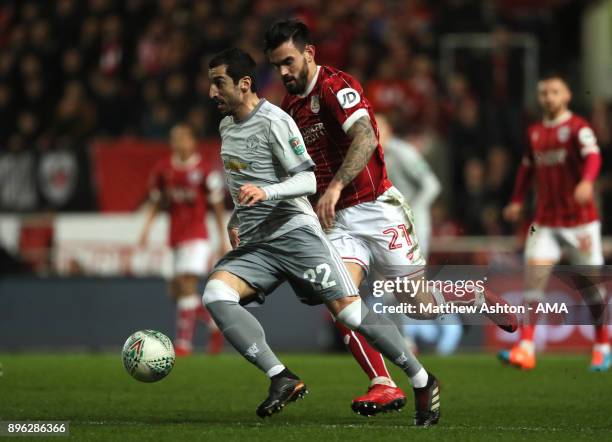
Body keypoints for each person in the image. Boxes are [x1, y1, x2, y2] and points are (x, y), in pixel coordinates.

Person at [264, 19, 517, 414]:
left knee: (418, 304)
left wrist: (334, 187)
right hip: (338, 222)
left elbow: (366, 136)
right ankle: (383, 383)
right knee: (339, 299)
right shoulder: (290, 108)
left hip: (377, 208)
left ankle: (473, 295)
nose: (283, 72)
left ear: (309, 53)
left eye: (289, 62)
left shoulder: (337, 86)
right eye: (277, 65)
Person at [204, 47, 440, 426]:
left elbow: (308, 179)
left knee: (352, 309)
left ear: (243, 84)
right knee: (215, 294)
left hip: (298, 233)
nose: (212, 93)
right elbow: (243, 181)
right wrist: (237, 214)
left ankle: (421, 378)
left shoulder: (278, 119)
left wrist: (270, 193)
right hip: (259, 243)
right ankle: (281, 377)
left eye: (218, 83)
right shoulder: (227, 126)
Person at [499, 74, 608, 371]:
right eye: (544, 92)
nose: (548, 97)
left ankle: (602, 344)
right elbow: (526, 169)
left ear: (567, 96)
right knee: (534, 279)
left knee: (591, 289)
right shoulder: (534, 132)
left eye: (554, 92)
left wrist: (587, 182)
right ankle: (526, 347)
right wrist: (518, 200)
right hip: (545, 222)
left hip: (580, 223)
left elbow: (594, 157)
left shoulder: (577, 129)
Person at [139, 123, 228, 356]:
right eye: (174, 138)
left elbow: (217, 205)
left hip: (197, 235)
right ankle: (213, 323)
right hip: (175, 236)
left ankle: (183, 344)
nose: (178, 142)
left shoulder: (204, 170)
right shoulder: (164, 168)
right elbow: (157, 201)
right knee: (176, 292)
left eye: (183, 138)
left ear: (192, 141)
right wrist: (146, 229)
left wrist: (222, 237)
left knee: (188, 286)